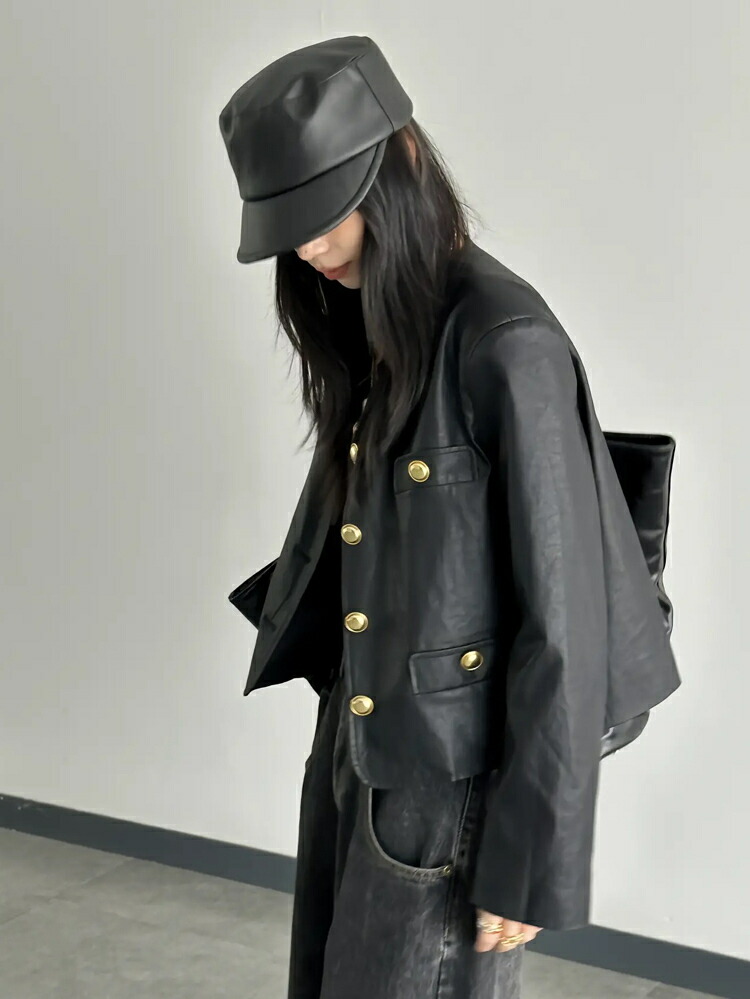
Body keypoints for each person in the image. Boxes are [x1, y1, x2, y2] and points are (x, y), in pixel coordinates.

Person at [219, 35, 681, 999]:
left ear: (403, 160)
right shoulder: (388, 325)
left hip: (449, 791)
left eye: (324, 214)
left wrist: (532, 854)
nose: (308, 248)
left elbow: (564, 618)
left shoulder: (505, 340)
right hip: (365, 749)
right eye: (289, 228)